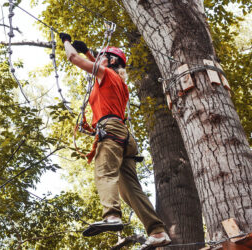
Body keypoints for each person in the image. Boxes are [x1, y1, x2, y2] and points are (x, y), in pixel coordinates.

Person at [59, 32, 171, 249]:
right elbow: (99, 67)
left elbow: (73, 59)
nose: (97, 59)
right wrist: (90, 53)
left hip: (111, 130)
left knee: (104, 171)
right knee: (130, 189)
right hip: (123, 135)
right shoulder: (118, 81)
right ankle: (157, 232)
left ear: (110, 62)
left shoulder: (107, 76)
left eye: (102, 57)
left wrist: (66, 42)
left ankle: (111, 216)